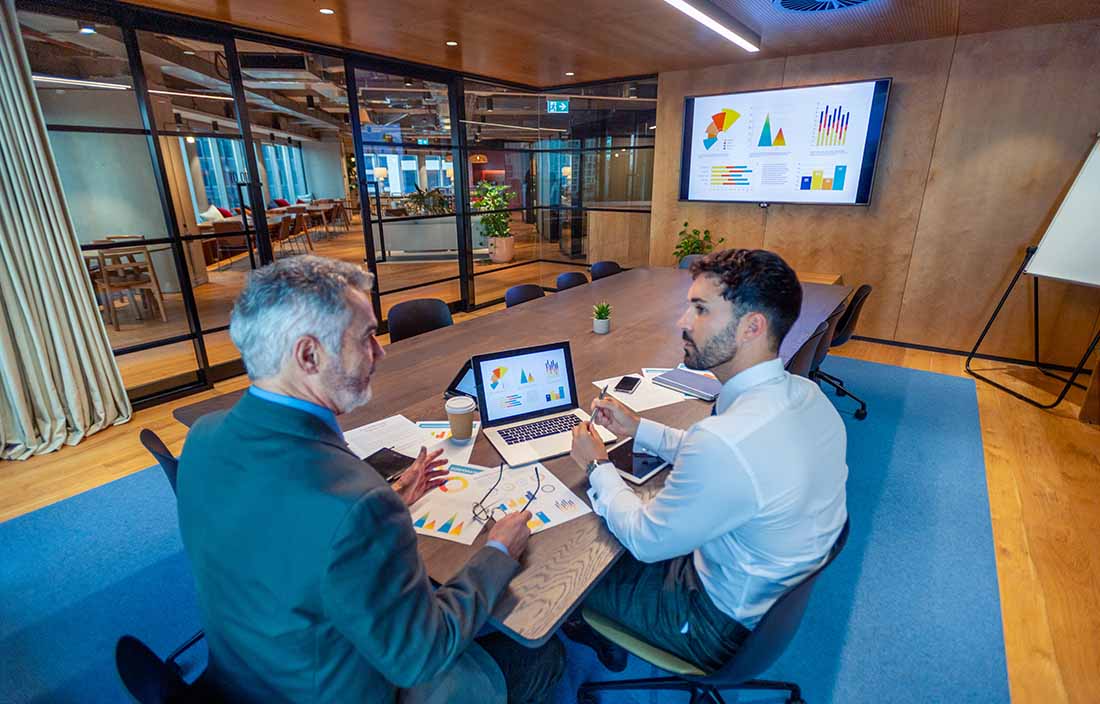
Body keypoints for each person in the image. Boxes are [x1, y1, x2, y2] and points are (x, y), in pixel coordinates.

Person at [176, 255, 564, 704]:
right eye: (366, 337)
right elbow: (421, 655)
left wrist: (392, 495)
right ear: (308, 355)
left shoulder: (203, 438)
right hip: (329, 690)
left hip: (245, 672)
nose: (380, 352)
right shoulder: (356, 503)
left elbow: (287, 533)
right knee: (542, 654)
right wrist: (499, 551)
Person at [566, 248, 848, 672]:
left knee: (565, 576)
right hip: (764, 597)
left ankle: (574, 642)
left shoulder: (725, 443)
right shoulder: (805, 395)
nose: (682, 322)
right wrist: (638, 428)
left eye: (700, 309)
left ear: (752, 327)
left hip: (712, 625)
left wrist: (596, 466)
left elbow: (645, 540)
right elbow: (731, 459)